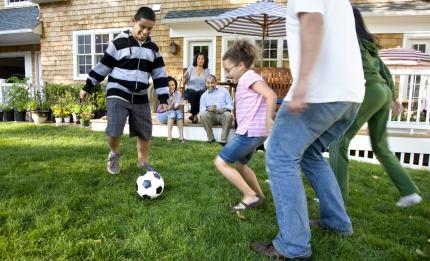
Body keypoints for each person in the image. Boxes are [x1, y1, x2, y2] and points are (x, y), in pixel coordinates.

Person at [251, 0, 366, 259]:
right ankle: (337, 221)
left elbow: (312, 21)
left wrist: (302, 82)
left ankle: (293, 246)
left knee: (279, 155)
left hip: (321, 91)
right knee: (311, 153)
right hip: (350, 95)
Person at [329, 7, 422, 208]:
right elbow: (383, 69)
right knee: (380, 146)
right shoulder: (368, 42)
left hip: (368, 92)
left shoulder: (346, 40)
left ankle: (336, 201)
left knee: (338, 141)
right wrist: (393, 97)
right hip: (382, 92)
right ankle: (409, 191)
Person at [79, 6, 169, 175]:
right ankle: (114, 153)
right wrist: (88, 86)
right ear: (133, 21)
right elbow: (103, 66)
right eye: (142, 26)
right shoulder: (118, 43)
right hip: (118, 91)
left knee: (145, 132)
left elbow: (160, 75)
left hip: (141, 95)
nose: (144, 31)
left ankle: (142, 162)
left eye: (149, 29)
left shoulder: (153, 49)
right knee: (114, 129)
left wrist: (163, 99)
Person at [214, 40, 277, 212]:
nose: (227, 74)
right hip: (255, 132)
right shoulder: (246, 79)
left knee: (220, 162)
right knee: (241, 165)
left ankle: (249, 195)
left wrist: (268, 119)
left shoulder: (249, 77)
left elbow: (271, 95)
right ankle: (259, 197)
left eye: (228, 70)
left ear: (241, 65)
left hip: (249, 132)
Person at [199, 74, 233, 145]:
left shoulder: (224, 91)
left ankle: (223, 140)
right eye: (208, 83)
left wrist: (224, 108)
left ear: (216, 82)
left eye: (212, 82)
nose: (210, 85)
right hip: (211, 116)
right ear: (205, 84)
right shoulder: (203, 96)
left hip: (222, 114)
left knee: (228, 115)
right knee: (203, 114)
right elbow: (202, 109)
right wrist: (209, 109)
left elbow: (231, 105)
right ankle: (211, 139)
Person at [183, 52, 210, 123]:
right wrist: (185, 77)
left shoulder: (207, 70)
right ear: (196, 60)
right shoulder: (191, 68)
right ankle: (195, 115)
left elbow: (208, 83)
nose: (200, 60)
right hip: (190, 90)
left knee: (200, 93)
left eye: (202, 59)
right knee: (193, 93)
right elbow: (184, 81)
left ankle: (193, 115)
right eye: (199, 58)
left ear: (205, 60)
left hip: (201, 91)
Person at [156, 76, 185, 143]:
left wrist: (181, 104)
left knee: (178, 112)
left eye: (173, 85)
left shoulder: (177, 93)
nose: (172, 87)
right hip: (162, 116)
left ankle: (181, 136)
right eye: (169, 85)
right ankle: (169, 136)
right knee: (172, 112)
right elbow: (166, 109)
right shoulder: (163, 94)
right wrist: (172, 103)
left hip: (172, 116)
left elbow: (176, 107)